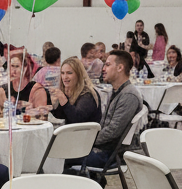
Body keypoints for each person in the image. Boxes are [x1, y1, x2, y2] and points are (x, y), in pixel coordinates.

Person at [69, 49, 141, 181]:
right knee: (65, 150)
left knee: (61, 156)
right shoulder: (117, 91)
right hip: (104, 150)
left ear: (120, 68)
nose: (103, 68)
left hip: (109, 156)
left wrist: (87, 141)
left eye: (107, 65)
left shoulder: (128, 95)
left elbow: (113, 131)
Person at [49, 56, 101, 125]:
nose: (65, 77)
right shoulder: (69, 90)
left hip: (85, 131)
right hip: (72, 130)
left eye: (69, 73)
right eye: (62, 73)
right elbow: (62, 116)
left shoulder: (88, 94)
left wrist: (64, 100)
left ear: (78, 75)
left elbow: (77, 119)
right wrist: (53, 105)